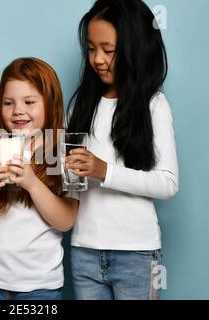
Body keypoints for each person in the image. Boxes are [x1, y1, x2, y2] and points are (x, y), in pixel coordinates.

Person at [66, 0, 179, 300]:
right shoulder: (81, 105)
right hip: (84, 251)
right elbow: (71, 183)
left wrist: (104, 171)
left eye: (108, 49)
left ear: (134, 48)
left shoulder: (154, 105)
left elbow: (167, 183)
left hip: (137, 255)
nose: (98, 59)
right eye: (91, 49)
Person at [0, 57, 78, 300]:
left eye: (29, 102)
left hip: (40, 285)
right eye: (8, 103)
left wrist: (33, 184)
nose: (18, 111)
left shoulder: (65, 152)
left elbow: (66, 221)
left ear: (51, 104)